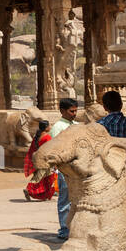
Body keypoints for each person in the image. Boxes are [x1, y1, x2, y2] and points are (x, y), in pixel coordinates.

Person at [50, 98, 79, 241]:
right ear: (62, 111)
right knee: (65, 200)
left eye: (75, 111)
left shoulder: (76, 125)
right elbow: (56, 149)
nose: (74, 114)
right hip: (65, 169)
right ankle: (64, 229)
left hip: (77, 169)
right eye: (71, 111)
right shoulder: (58, 127)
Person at [22, 119, 57, 201]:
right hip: (45, 161)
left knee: (45, 177)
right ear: (46, 127)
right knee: (41, 178)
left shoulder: (36, 137)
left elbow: (32, 149)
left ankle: (46, 196)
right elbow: (50, 150)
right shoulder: (47, 137)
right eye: (49, 126)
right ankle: (28, 189)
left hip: (36, 160)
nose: (50, 127)